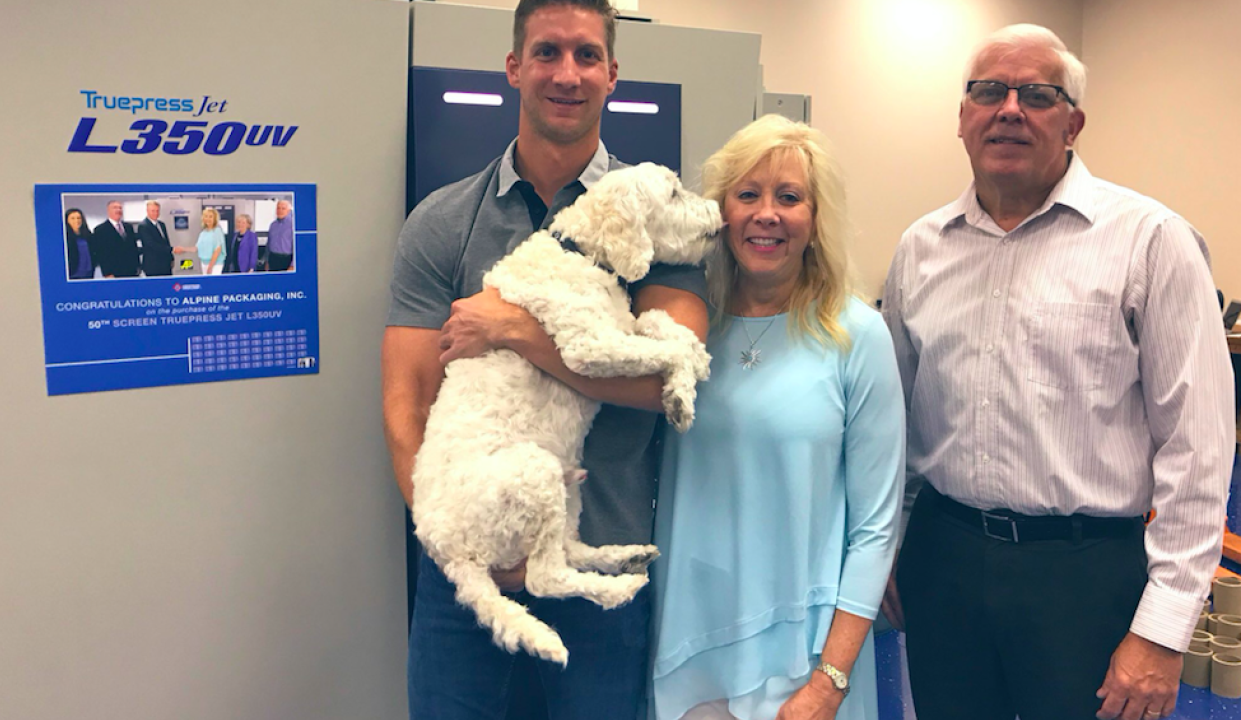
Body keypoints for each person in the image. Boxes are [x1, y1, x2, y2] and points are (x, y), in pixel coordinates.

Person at [880, 24, 1234, 720]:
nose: (1009, 108)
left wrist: (1162, 632)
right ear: (962, 118)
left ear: (1072, 123)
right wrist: (889, 548)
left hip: (1084, 576)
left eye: (1038, 95)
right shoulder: (921, 249)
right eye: (989, 91)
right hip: (943, 560)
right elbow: (896, 425)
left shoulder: (1151, 241)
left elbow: (1198, 450)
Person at [382, 1, 708, 718]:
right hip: (465, 568)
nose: (568, 73)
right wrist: (463, 535)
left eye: (587, 55)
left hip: (603, 555)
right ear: (514, 68)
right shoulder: (442, 222)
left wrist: (520, 333)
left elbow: (668, 379)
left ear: (613, 74)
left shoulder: (651, 211)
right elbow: (407, 402)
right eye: (548, 52)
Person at [648, 115, 904, 720]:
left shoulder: (856, 335)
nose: (767, 214)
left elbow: (875, 530)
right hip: (689, 634)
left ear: (815, 221)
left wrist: (830, 682)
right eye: (748, 194)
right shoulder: (681, 328)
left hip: (806, 654)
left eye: (789, 198)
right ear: (722, 211)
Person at [92, 200, 140, 278]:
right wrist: (107, 273)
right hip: (114, 272)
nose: (118, 210)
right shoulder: (100, 230)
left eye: (120, 208)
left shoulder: (128, 227)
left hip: (132, 271)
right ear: (108, 210)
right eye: (115, 208)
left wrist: (138, 266)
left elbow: (133, 248)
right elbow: (101, 253)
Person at [175, 208, 226, 275]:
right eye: (206, 216)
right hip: (204, 263)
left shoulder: (217, 231)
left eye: (210, 217)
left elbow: (217, 250)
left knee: (213, 284)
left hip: (215, 264)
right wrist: (182, 249)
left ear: (215, 219)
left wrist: (210, 266)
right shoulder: (203, 233)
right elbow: (196, 248)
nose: (208, 219)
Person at [137, 200, 174, 277]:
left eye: (157, 211)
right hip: (153, 265)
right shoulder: (143, 226)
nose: (156, 213)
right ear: (147, 211)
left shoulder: (162, 224)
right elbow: (151, 244)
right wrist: (171, 249)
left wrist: (171, 257)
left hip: (165, 264)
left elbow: (166, 242)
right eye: (153, 211)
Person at [64, 208, 96, 280]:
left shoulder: (88, 235)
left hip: (88, 273)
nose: (76, 221)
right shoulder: (65, 236)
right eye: (73, 218)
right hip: (74, 274)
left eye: (79, 218)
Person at [264, 200, 294, 271]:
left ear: (289, 211)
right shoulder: (272, 225)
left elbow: (297, 247)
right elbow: (268, 244)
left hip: (286, 260)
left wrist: (293, 265)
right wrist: (267, 261)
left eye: (283, 208)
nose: (280, 210)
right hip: (273, 259)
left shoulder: (293, 225)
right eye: (278, 208)